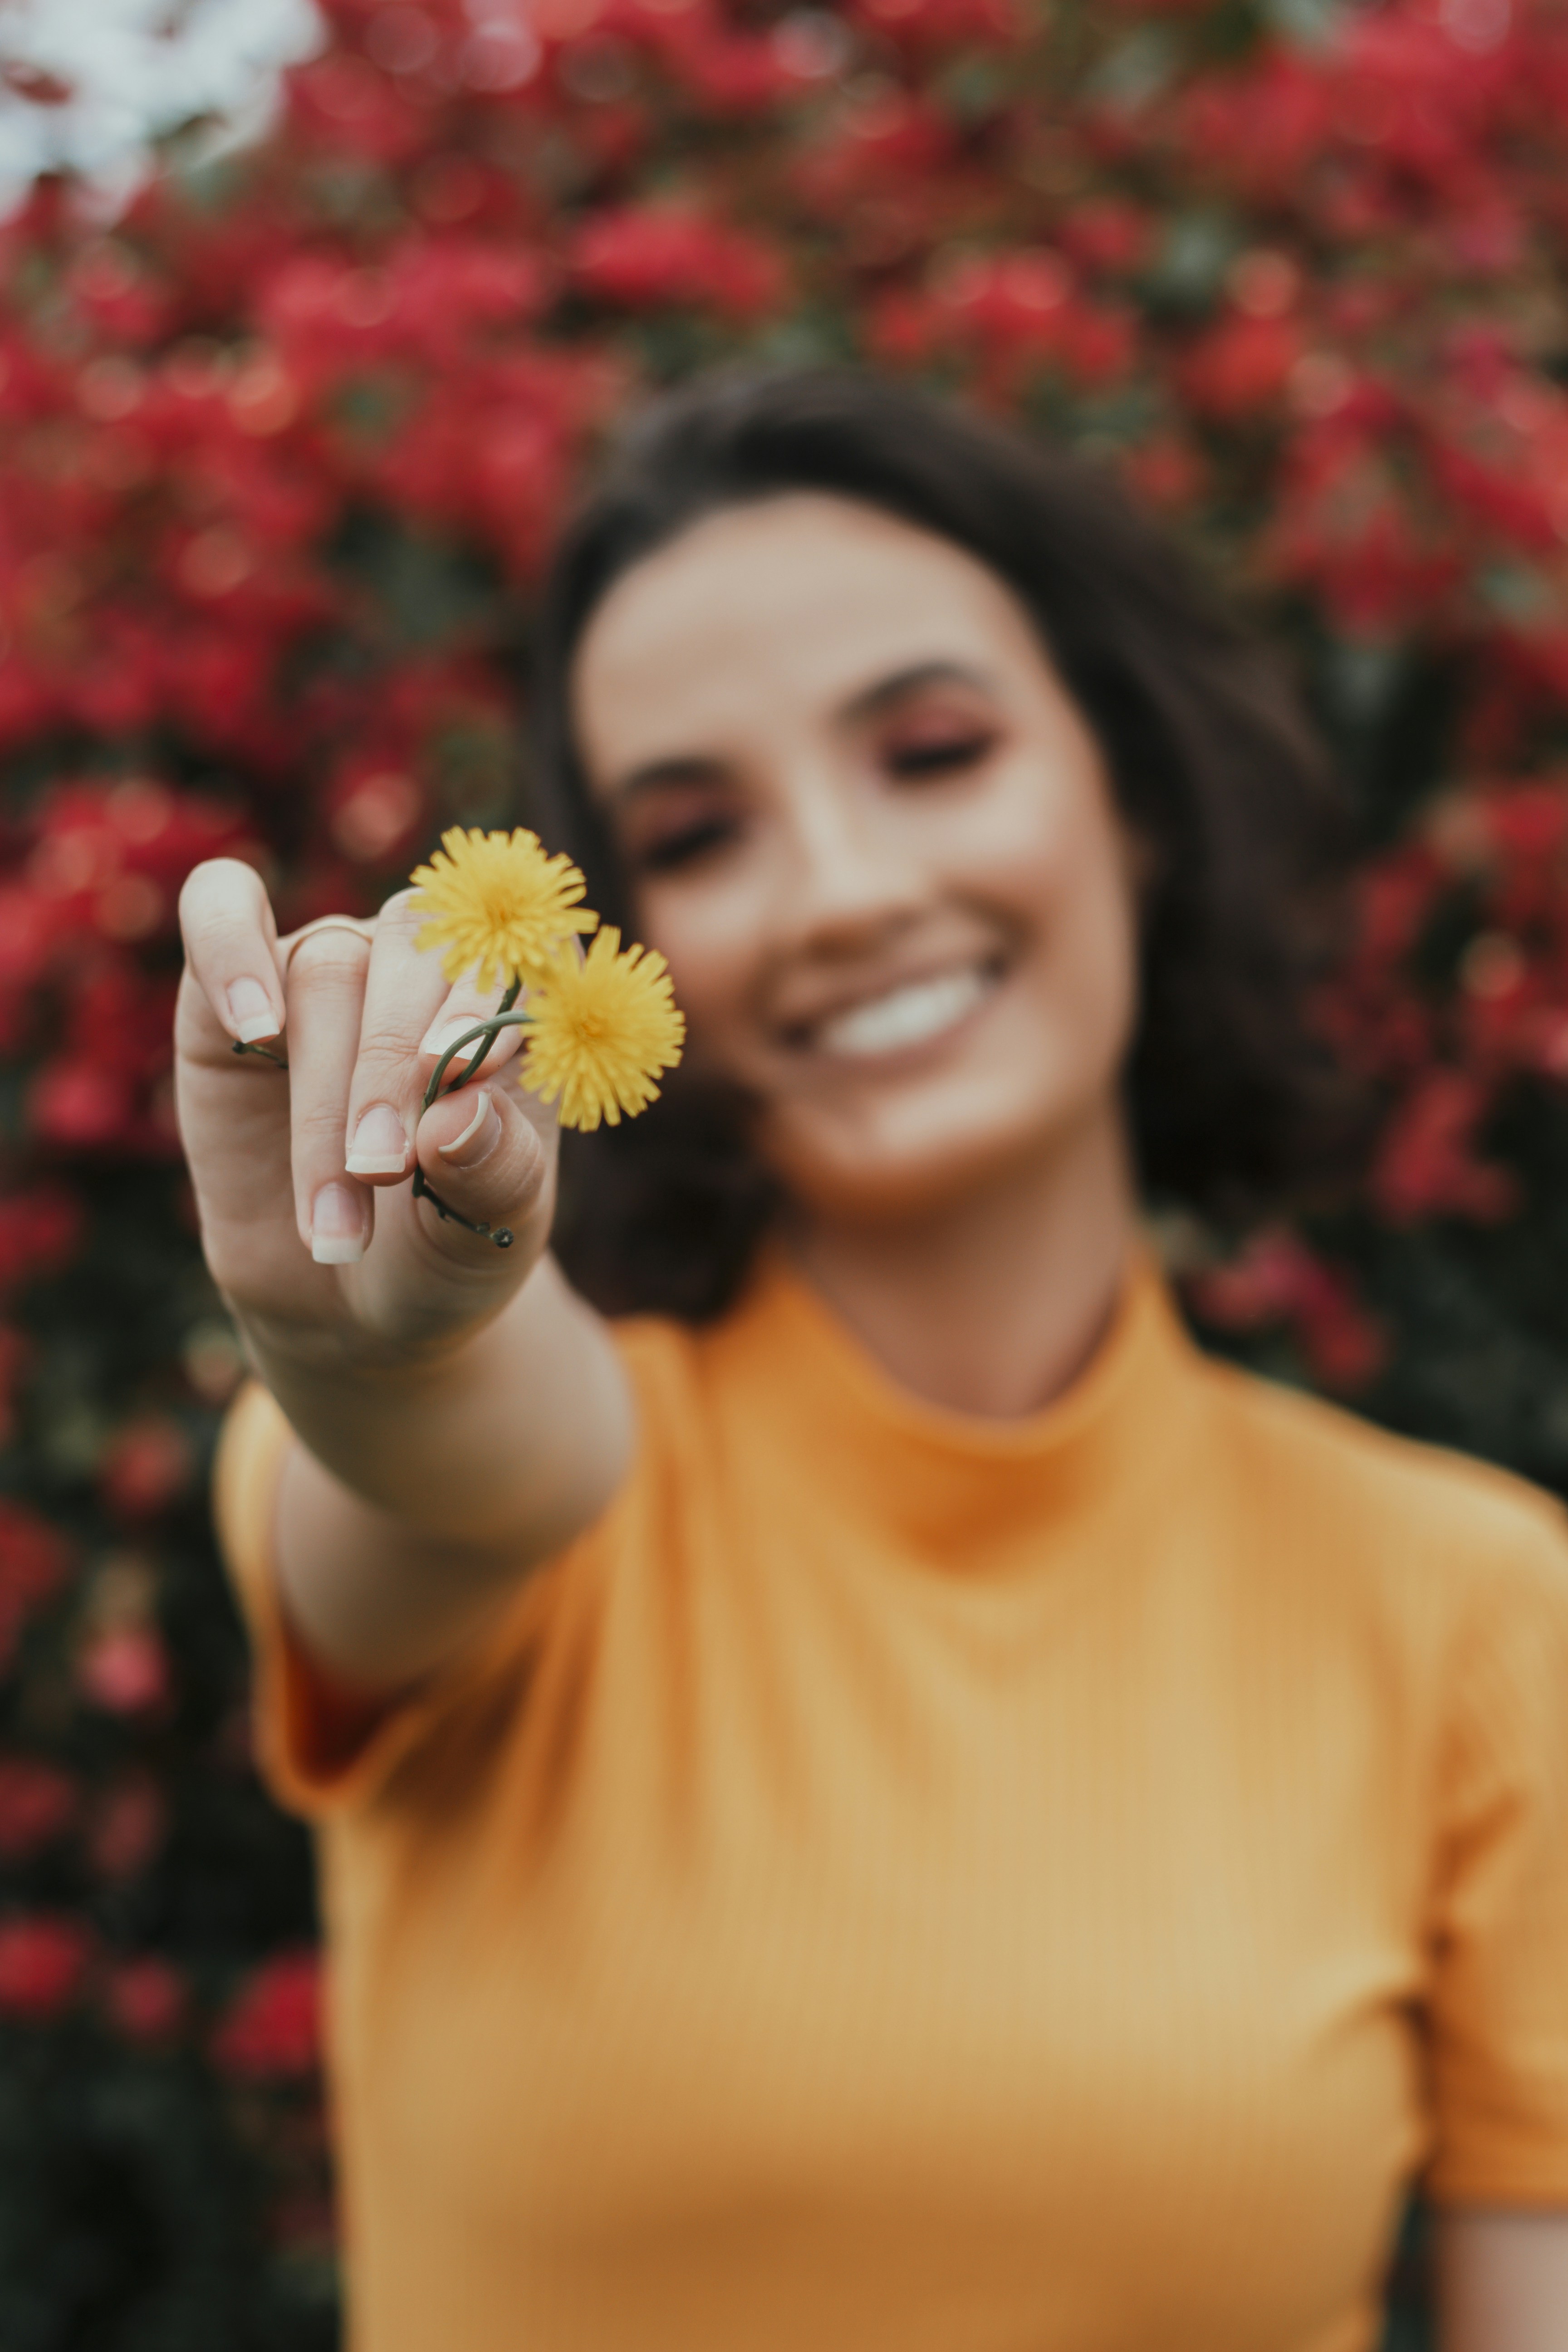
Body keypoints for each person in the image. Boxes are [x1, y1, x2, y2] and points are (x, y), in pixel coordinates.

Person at [176, 368, 1568, 2352]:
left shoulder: (1485, 1620)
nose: (839, 892)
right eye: (702, 831)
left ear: (1133, 799)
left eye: (929, 751)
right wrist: (403, 1338)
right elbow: (469, 1449)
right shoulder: (520, 1475)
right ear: (618, 935)